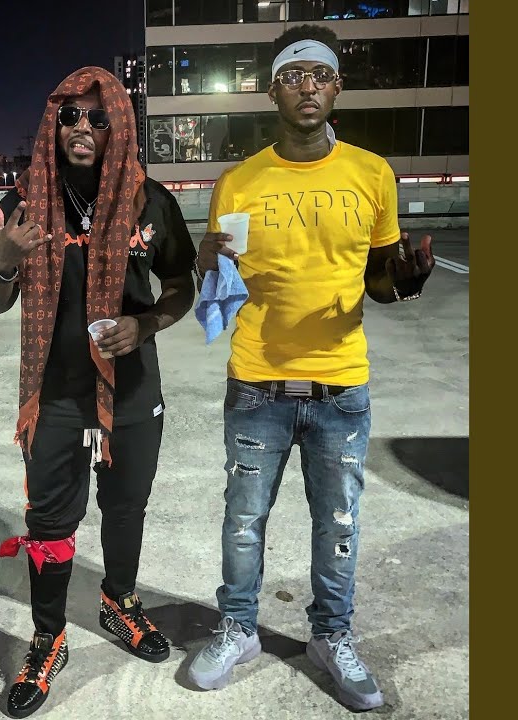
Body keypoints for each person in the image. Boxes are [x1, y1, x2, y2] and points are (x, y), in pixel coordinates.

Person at [185, 25, 436, 711]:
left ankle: (332, 635)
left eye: (320, 75)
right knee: (243, 520)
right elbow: (219, 289)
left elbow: (379, 281)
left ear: (337, 88)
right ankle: (239, 629)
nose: (307, 86)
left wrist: (405, 282)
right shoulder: (239, 182)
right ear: (272, 91)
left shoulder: (372, 174)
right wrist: (206, 266)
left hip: (341, 384)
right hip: (257, 382)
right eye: (293, 76)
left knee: (340, 524)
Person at [0, 66, 197, 719]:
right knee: (49, 523)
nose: (82, 127)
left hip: (132, 391)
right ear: (53, 123)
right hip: (55, 396)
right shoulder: (24, 202)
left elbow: (180, 287)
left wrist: (144, 324)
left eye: (98, 118)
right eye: (70, 115)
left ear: (117, 128)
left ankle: (119, 602)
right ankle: (48, 637)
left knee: (126, 508)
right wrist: (4, 260)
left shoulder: (150, 202)